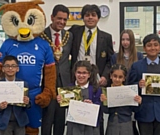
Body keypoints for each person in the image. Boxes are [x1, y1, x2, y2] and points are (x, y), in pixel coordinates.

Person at [68, 4, 114, 134]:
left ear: (98, 18)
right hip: (79, 76)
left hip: (96, 77)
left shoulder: (106, 37)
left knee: (96, 109)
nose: (90, 18)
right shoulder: (74, 32)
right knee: (77, 108)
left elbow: (110, 60)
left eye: (93, 15)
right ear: (83, 18)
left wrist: (105, 76)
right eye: (87, 15)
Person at [128, 34, 160, 135]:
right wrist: (138, 85)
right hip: (144, 111)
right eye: (149, 45)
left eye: (155, 45)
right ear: (144, 48)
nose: (153, 48)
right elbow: (130, 86)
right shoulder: (136, 66)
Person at [41, 4, 73, 135]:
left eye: (65, 19)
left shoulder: (69, 36)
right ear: (52, 17)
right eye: (59, 18)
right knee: (47, 117)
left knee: (60, 118)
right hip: (47, 82)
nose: (62, 22)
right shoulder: (41, 35)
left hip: (64, 81)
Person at [110, 29, 143, 134]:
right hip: (118, 92)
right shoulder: (115, 56)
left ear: (132, 41)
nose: (125, 42)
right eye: (123, 39)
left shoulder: (139, 56)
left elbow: (139, 75)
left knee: (132, 122)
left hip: (133, 91)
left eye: (128, 39)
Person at [57, 60, 102, 135]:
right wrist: (61, 100)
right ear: (75, 73)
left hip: (90, 127)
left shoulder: (96, 89)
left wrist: (92, 105)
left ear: (89, 74)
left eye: (84, 73)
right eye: (79, 72)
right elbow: (65, 106)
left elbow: (100, 106)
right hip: (74, 127)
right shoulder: (69, 88)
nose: (81, 76)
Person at [0, 55, 30, 135]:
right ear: (3, 69)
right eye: (7, 66)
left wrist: (27, 102)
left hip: (20, 122)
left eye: (13, 66)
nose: (10, 68)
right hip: (4, 122)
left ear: (17, 69)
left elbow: (28, 104)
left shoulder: (23, 84)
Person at [100, 64, 142, 135]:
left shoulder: (130, 91)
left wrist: (139, 102)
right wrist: (103, 102)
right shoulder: (107, 91)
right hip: (112, 122)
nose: (117, 79)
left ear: (124, 78)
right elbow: (106, 111)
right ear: (111, 76)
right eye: (115, 76)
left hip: (126, 122)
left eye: (120, 77)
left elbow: (135, 110)